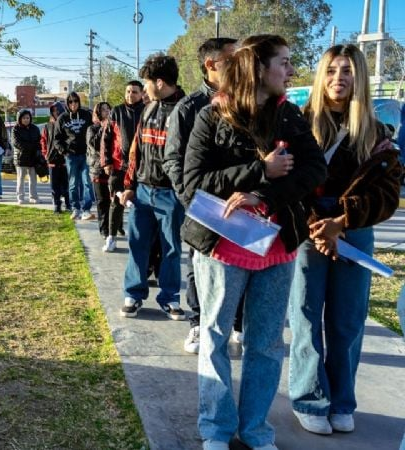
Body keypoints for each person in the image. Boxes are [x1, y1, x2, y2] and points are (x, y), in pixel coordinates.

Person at [180, 35, 327, 450]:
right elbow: (193, 184)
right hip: (221, 246)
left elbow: (314, 170)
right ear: (259, 68)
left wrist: (264, 196)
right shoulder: (212, 117)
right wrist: (258, 172)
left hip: (277, 247)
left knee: (265, 343)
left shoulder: (291, 116)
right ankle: (216, 429)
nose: (291, 71)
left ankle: (256, 429)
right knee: (215, 336)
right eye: (284, 62)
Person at [287, 44, 403, 436]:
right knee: (304, 317)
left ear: (360, 78)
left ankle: (341, 401)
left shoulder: (378, 131)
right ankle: (309, 398)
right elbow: (287, 181)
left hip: (356, 232)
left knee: (348, 320)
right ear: (322, 76)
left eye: (348, 71)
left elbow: (388, 195)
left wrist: (344, 220)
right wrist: (320, 226)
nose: (339, 78)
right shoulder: (299, 123)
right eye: (333, 70)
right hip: (308, 232)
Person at [163, 37, 238, 354]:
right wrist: (192, 201)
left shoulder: (246, 101)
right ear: (211, 65)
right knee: (197, 267)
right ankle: (197, 323)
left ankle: (238, 325)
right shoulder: (190, 107)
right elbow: (173, 159)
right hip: (201, 206)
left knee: (241, 266)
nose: (241, 66)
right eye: (232, 59)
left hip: (241, 206)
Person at [119, 54, 187, 320]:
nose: (143, 89)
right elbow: (137, 151)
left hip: (172, 194)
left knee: (172, 248)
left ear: (159, 82)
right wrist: (129, 186)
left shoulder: (186, 109)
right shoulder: (148, 109)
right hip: (143, 192)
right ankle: (134, 294)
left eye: (146, 83)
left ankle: (169, 297)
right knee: (138, 243)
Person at [102, 80, 144, 239]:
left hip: (140, 166)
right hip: (119, 165)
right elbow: (105, 139)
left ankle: (139, 238)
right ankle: (111, 237)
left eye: (134, 92)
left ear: (141, 94)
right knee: (116, 202)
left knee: (139, 205)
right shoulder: (116, 112)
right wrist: (106, 161)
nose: (130, 95)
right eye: (128, 91)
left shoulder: (147, 111)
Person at [54, 92, 95, 220]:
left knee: (87, 182)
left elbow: (93, 130)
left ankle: (86, 209)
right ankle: (75, 208)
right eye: (70, 102)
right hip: (71, 156)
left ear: (79, 102)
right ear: (67, 103)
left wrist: (91, 149)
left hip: (85, 155)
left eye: (75, 101)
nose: (73, 104)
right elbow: (57, 139)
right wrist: (63, 151)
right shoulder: (62, 118)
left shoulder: (86, 115)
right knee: (73, 183)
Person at [88, 102, 115, 248]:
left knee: (114, 202)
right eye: (103, 110)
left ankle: (113, 228)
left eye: (108, 109)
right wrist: (103, 127)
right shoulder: (92, 128)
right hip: (98, 169)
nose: (106, 112)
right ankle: (104, 229)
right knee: (102, 201)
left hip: (112, 169)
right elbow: (94, 143)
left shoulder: (113, 127)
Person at [42, 102, 71, 213]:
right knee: (54, 186)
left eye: (58, 110)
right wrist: (45, 153)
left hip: (64, 158)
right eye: (54, 111)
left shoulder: (67, 124)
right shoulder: (47, 126)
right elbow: (43, 140)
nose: (56, 113)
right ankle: (57, 205)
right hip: (52, 159)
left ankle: (68, 204)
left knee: (66, 184)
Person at [11, 109, 42, 204]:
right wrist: (31, 146)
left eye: (28, 118)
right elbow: (16, 143)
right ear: (19, 119)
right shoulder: (15, 129)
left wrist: (36, 149)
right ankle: (20, 197)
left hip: (33, 158)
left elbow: (39, 141)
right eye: (24, 118)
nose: (26, 120)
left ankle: (33, 197)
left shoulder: (35, 128)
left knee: (33, 179)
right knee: (20, 179)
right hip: (21, 158)